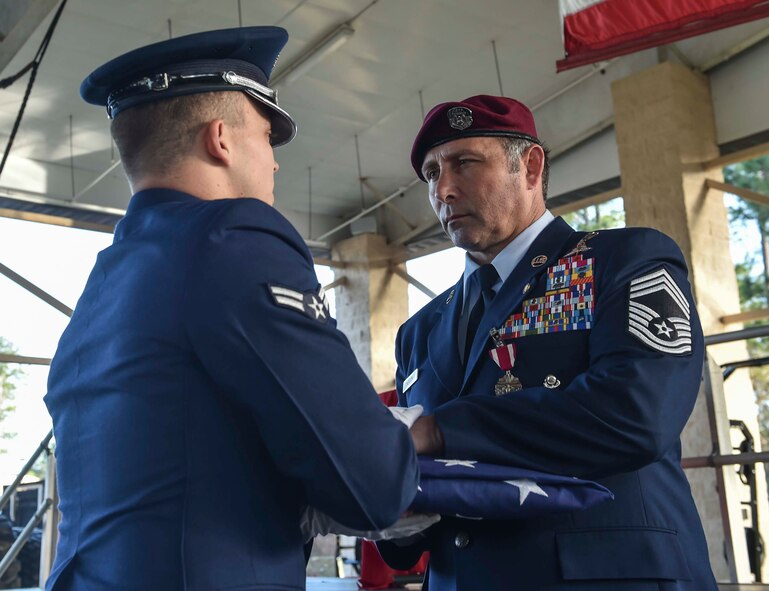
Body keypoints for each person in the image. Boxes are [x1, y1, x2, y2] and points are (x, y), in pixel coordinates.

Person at [44, 26, 419, 591]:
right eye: (266, 137)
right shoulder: (234, 238)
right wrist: (413, 436)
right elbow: (372, 486)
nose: (274, 164)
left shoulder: (105, 281)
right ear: (220, 139)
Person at [377, 95, 718, 590]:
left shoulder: (622, 261)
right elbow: (415, 491)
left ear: (531, 167)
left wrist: (438, 430)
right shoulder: (420, 330)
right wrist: (391, 511)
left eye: (465, 163)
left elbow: (638, 413)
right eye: (431, 173)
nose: (443, 190)